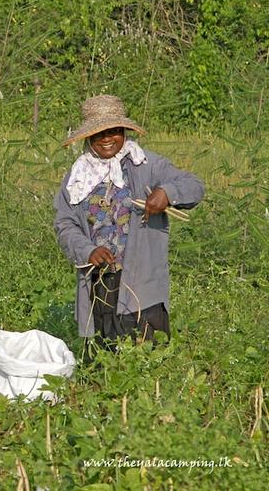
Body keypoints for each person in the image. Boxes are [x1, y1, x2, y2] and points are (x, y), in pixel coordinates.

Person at [53, 95, 204, 357]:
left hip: (142, 278)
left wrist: (167, 192)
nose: (107, 139)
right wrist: (87, 250)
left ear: (124, 132)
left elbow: (194, 185)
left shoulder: (145, 164)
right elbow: (64, 223)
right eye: (99, 133)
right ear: (88, 137)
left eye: (114, 131)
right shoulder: (77, 176)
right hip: (101, 280)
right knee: (105, 356)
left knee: (147, 355)